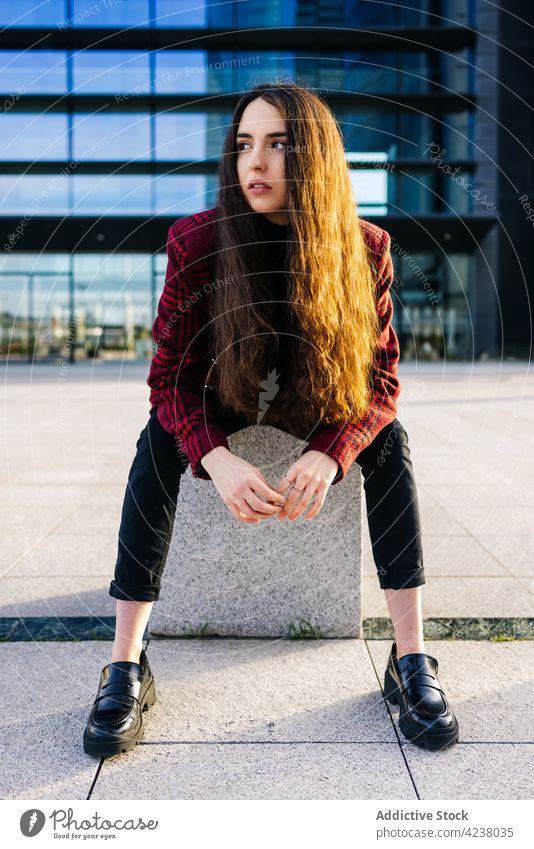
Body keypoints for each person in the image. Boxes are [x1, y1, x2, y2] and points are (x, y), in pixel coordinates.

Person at [84, 82, 459, 758]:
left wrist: (330, 451)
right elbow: (168, 378)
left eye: (278, 144)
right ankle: (125, 664)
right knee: (155, 440)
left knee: (391, 443)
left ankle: (410, 662)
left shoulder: (365, 248)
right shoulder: (196, 243)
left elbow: (379, 382)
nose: (254, 162)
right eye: (243, 145)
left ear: (314, 157)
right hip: (224, 398)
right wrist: (215, 455)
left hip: (318, 402)